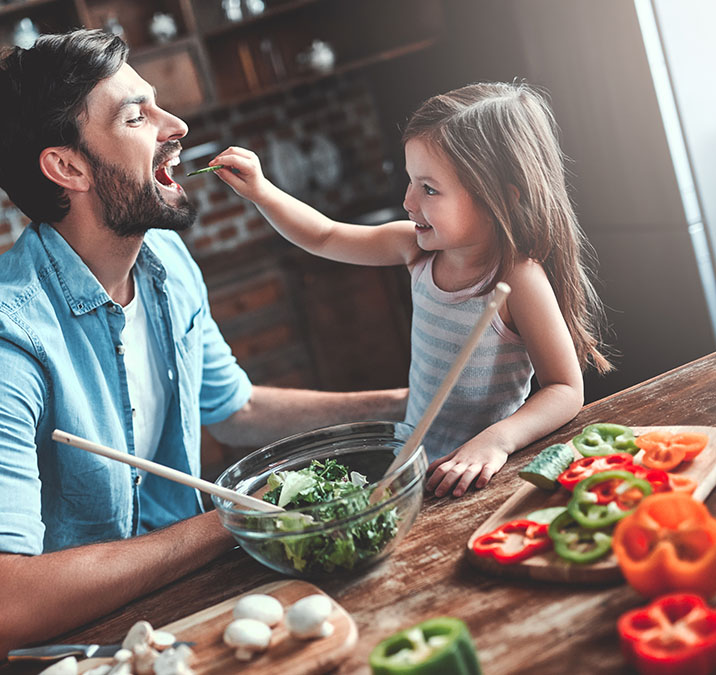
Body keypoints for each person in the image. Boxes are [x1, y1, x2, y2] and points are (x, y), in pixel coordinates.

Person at [0, 29, 407, 661]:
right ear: (67, 167)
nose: (176, 125)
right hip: (58, 656)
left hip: (171, 606)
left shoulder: (164, 260)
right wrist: (232, 519)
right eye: (137, 116)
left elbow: (234, 409)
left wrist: (415, 405)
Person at [209, 81, 612, 501]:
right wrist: (261, 191)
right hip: (416, 471)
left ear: (501, 201)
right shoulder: (415, 249)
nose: (408, 200)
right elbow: (325, 236)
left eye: (429, 188)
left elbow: (565, 390)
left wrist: (496, 441)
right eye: (410, 181)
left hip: (483, 477)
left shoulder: (516, 278)